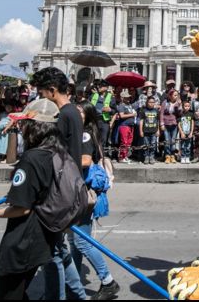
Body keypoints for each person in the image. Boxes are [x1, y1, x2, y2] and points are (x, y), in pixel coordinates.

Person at [0, 99, 65, 300]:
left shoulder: (32, 158)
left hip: (24, 237)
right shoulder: (57, 152)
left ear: (34, 126)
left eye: (24, 123)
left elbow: (21, 208)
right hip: (43, 234)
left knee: (9, 293)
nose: (21, 126)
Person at [30, 67, 85, 301]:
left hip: (60, 186)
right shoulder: (73, 111)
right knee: (60, 250)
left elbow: (57, 153)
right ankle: (78, 294)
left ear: (52, 91)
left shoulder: (63, 115)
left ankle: (56, 295)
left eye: (42, 93)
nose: (42, 98)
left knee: (52, 253)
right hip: (69, 184)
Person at [70, 102, 119, 300]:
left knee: (82, 242)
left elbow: (85, 161)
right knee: (75, 241)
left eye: (80, 112)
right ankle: (72, 281)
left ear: (88, 115)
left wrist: (62, 159)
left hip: (84, 192)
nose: (75, 115)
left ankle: (107, 281)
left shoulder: (85, 134)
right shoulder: (86, 132)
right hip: (80, 191)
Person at [160, 89, 181, 164]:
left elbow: (179, 114)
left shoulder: (178, 103)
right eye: (175, 95)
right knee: (167, 140)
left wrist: (178, 106)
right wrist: (161, 123)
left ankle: (172, 155)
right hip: (166, 124)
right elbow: (161, 113)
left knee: (173, 140)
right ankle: (167, 156)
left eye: (177, 95)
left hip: (174, 124)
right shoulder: (165, 102)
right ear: (170, 96)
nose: (176, 96)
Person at [116, 90, 136, 164]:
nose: (128, 99)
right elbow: (122, 115)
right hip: (124, 125)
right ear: (122, 98)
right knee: (124, 142)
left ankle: (125, 156)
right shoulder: (121, 105)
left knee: (129, 142)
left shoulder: (129, 105)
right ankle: (121, 157)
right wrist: (132, 115)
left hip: (131, 125)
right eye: (126, 98)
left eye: (129, 97)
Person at [139, 96, 160, 165]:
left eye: (153, 102)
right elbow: (141, 121)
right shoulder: (143, 110)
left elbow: (157, 121)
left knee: (153, 144)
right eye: (150, 102)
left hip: (154, 131)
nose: (151, 103)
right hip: (146, 131)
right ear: (147, 102)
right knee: (146, 144)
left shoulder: (156, 111)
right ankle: (146, 156)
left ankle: (152, 156)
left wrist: (158, 130)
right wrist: (141, 131)